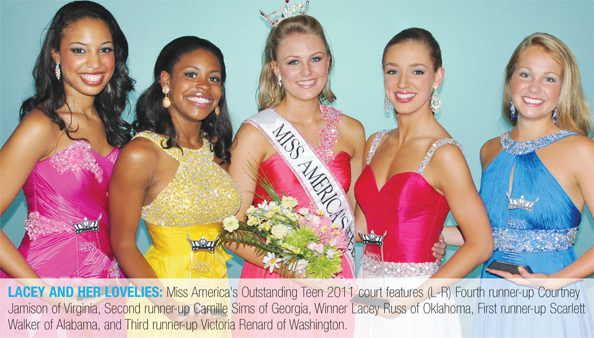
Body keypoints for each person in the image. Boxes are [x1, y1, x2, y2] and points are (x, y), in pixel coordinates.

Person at [353, 28, 493, 337]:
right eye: (393, 71)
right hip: (368, 291)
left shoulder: (445, 154)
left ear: (437, 77)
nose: (403, 83)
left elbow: (482, 244)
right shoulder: (374, 143)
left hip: (418, 303)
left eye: (417, 71)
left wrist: (406, 301)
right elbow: (365, 232)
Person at [0, 0, 132, 281]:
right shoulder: (42, 125)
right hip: (45, 287)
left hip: (105, 288)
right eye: (79, 50)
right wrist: (48, 292)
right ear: (56, 55)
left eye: (105, 49)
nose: (95, 62)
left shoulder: (113, 128)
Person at [473, 33, 593, 338]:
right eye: (525, 74)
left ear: (563, 89)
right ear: (510, 79)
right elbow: (487, 231)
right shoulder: (489, 151)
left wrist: (551, 282)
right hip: (494, 295)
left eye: (549, 78)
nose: (534, 88)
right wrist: (427, 234)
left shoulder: (581, 150)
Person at [109, 36, 240, 280]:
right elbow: (123, 244)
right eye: (191, 75)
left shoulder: (218, 151)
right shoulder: (141, 153)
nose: (204, 86)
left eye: (214, 79)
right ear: (166, 80)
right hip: (163, 298)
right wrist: (175, 310)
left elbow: (233, 232)